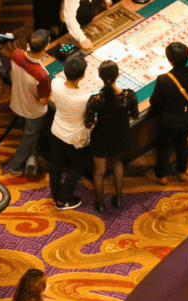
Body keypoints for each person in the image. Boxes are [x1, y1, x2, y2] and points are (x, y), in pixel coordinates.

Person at [84, 60, 138, 211]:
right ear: (118, 75)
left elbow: (88, 123)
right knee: (118, 164)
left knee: (99, 173)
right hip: (121, 135)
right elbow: (135, 115)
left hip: (100, 138)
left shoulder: (95, 99)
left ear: (99, 76)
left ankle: (100, 204)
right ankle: (119, 199)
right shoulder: (129, 95)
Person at [150, 42, 188, 184]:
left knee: (163, 148)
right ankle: (182, 171)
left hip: (169, 122)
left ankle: (161, 176)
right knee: (182, 143)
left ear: (169, 60)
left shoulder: (164, 79)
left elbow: (154, 102)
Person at [48, 54, 92, 211]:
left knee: (55, 163)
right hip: (75, 137)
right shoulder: (85, 97)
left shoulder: (56, 83)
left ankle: (55, 193)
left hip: (57, 129)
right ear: (83, 75)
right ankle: (63, 198)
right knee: (77, 165)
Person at [8, 30, 53, 179]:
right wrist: (52, 94)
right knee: (29, 139)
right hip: (34, 112)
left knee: (27, 133)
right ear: (45, 48)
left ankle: (31, 158)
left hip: (17, 102)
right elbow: (43, 101)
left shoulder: (16, 54)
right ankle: (15, 167)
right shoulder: (43, 75)